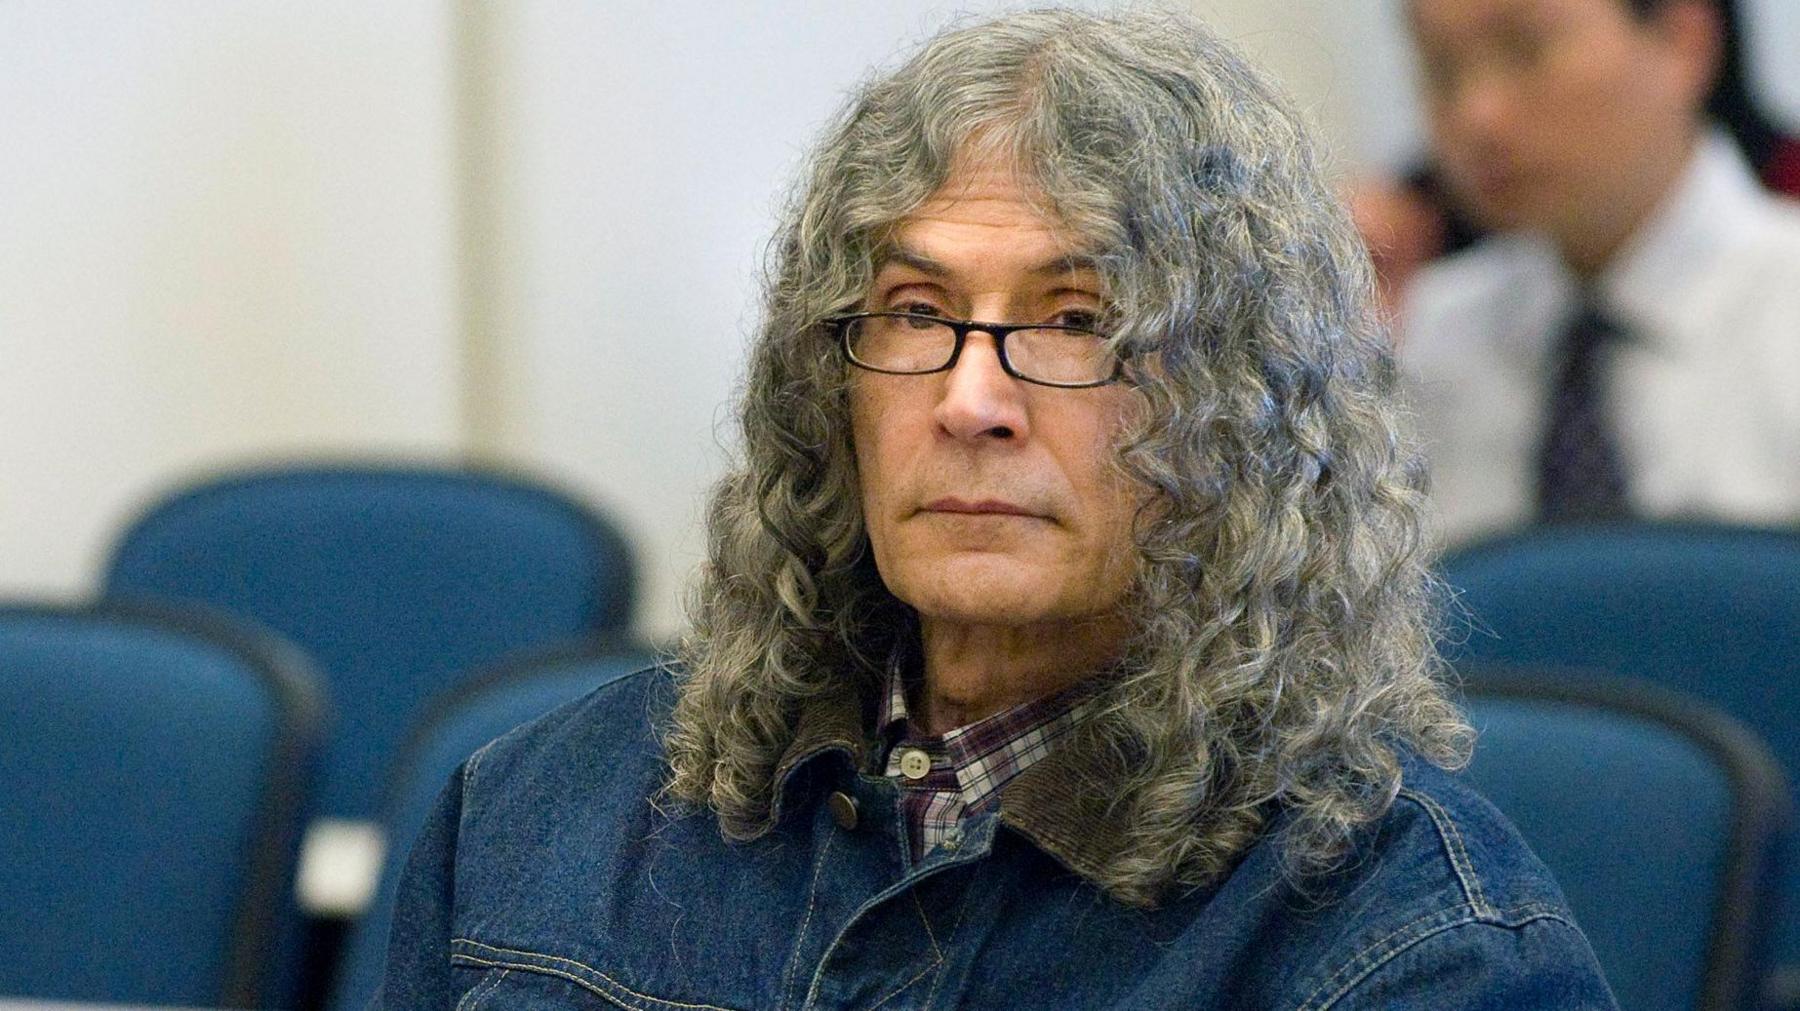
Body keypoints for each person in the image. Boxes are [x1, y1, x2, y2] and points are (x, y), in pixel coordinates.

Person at [372, 10, 1616, 1008]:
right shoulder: (535, 812)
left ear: (1251, 407)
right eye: (916, 311)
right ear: (828, 385)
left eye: (1077, 322)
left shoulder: (1418, 948)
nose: (972, 399)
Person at [1396, 0, 1800, 543]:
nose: (1478, 115)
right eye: (1441, 70)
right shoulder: (1426, 336)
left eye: (1527, 50)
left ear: (1685, 42)